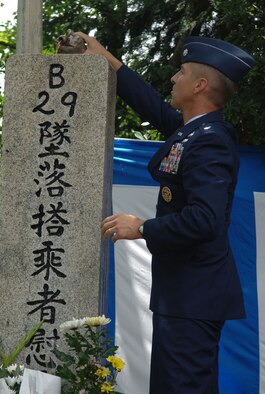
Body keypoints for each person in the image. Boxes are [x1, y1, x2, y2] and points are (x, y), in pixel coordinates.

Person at [76, 32, 255, 393]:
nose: (174, 78)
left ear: (200, 85)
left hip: (195, 296)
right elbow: (154, 107)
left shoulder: (210, 140)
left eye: (182, 72)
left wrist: (142, 227)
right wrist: (108, 59)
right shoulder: (193, 131)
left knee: (182, 387)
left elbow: (206, 219)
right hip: (185, 293)